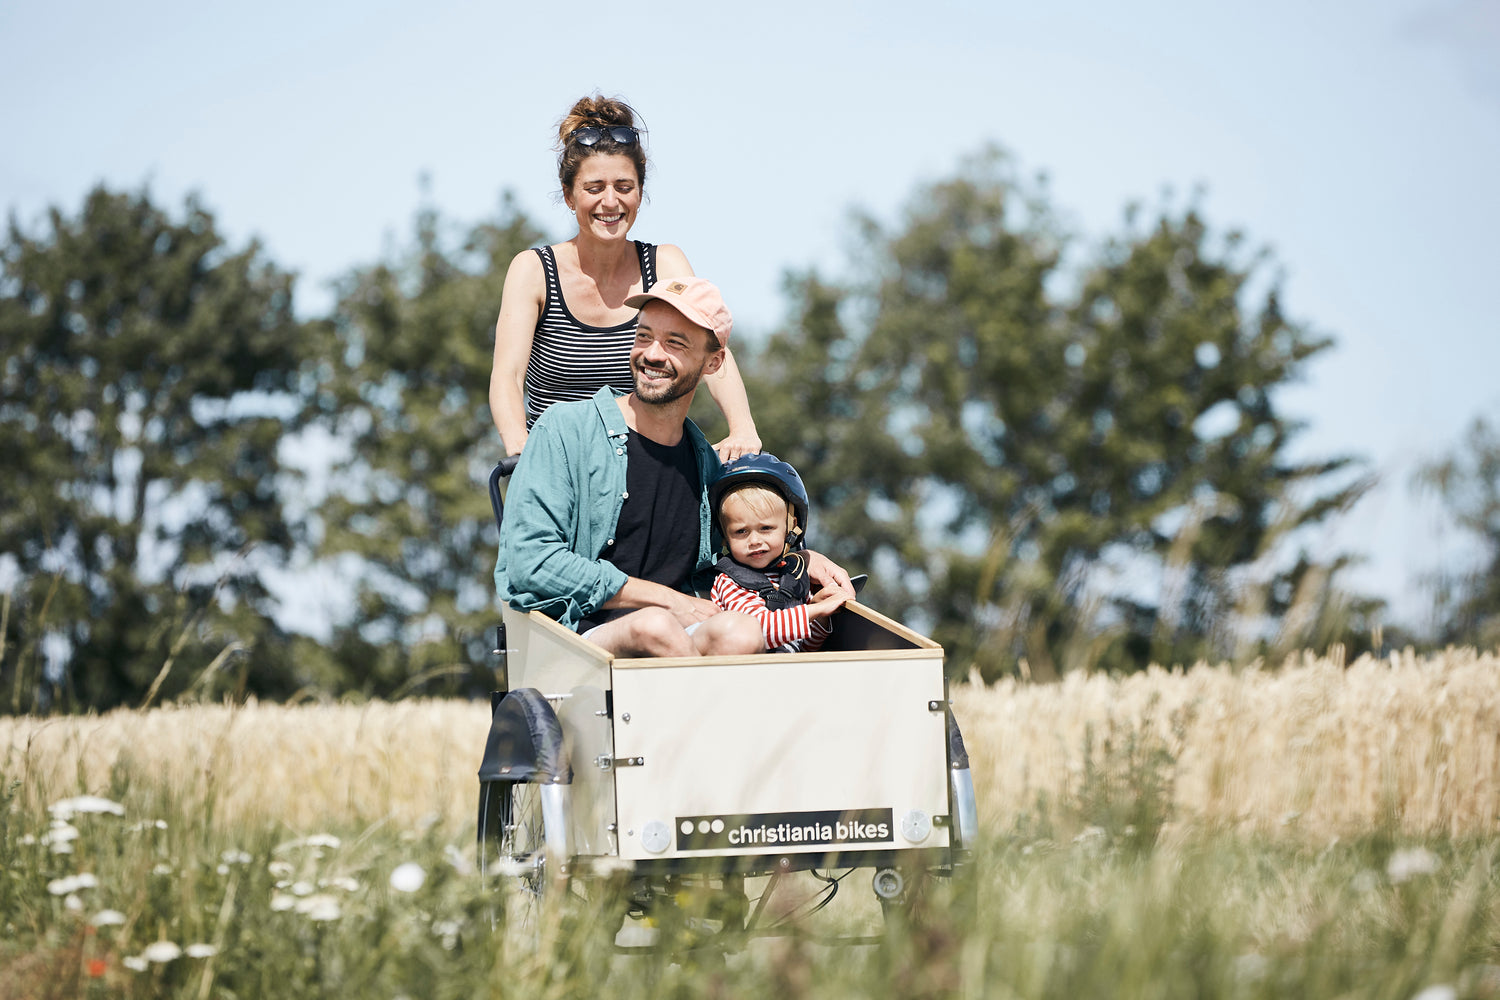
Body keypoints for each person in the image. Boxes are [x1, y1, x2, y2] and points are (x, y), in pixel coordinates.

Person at [495, 277, 853, 658]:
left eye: (675, 344)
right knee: (655, 624)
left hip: (681, 642)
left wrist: (801, 557)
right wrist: (666, 601)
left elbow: (738, 555)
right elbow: (528, 562)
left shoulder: (707, 467)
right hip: (578, 640)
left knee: (739, 631)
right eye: (644, 336)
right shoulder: (565, 430)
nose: (652, 354)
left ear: (713, 362)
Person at [488, 94, 761, 462]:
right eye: (594, 188)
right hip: (559, 465)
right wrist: (521, 450)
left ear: (640, 192)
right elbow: (508, 376)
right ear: (569, 195)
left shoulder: (664, 264)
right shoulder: (533, 270)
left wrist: (743, 428)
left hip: (646, 466)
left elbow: (711, 353)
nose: (611, 202)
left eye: (624, 187)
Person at [709, 455, 849, 652]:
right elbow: (758, 630)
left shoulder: (794, 578)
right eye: (741, 531)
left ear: (790, 528)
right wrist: (814, 610)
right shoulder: (729, 582)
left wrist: (822, 617)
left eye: (766, 528)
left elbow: (805, 649)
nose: (755, 541)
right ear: (725, 536)